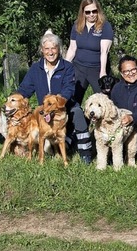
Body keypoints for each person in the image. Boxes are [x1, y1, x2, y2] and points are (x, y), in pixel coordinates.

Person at [18, 29, 93, 164]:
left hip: (64, 104)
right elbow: (25, 89)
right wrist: (15, 100)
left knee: (78, 113)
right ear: (42, 50)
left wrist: (58, 102)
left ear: (59, 49)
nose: (50, 52)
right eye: (47, 49)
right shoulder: (35, 69)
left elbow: (69, 89)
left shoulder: (67, 67)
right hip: (46, 108)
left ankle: (85, 153)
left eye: (54, 48)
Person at [65, 0, 114, 105]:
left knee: (104, 102)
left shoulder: (105, 26)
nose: (91, 14)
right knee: (72, 100)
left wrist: (103, 72)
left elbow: (104, 51)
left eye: (94, 11)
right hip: (79, 69)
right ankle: (76, 121)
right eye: (88, 12)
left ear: (98, 11)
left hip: (96, 69)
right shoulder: (77, 25)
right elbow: (72, 49)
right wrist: (64, 67)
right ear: (83, 12)